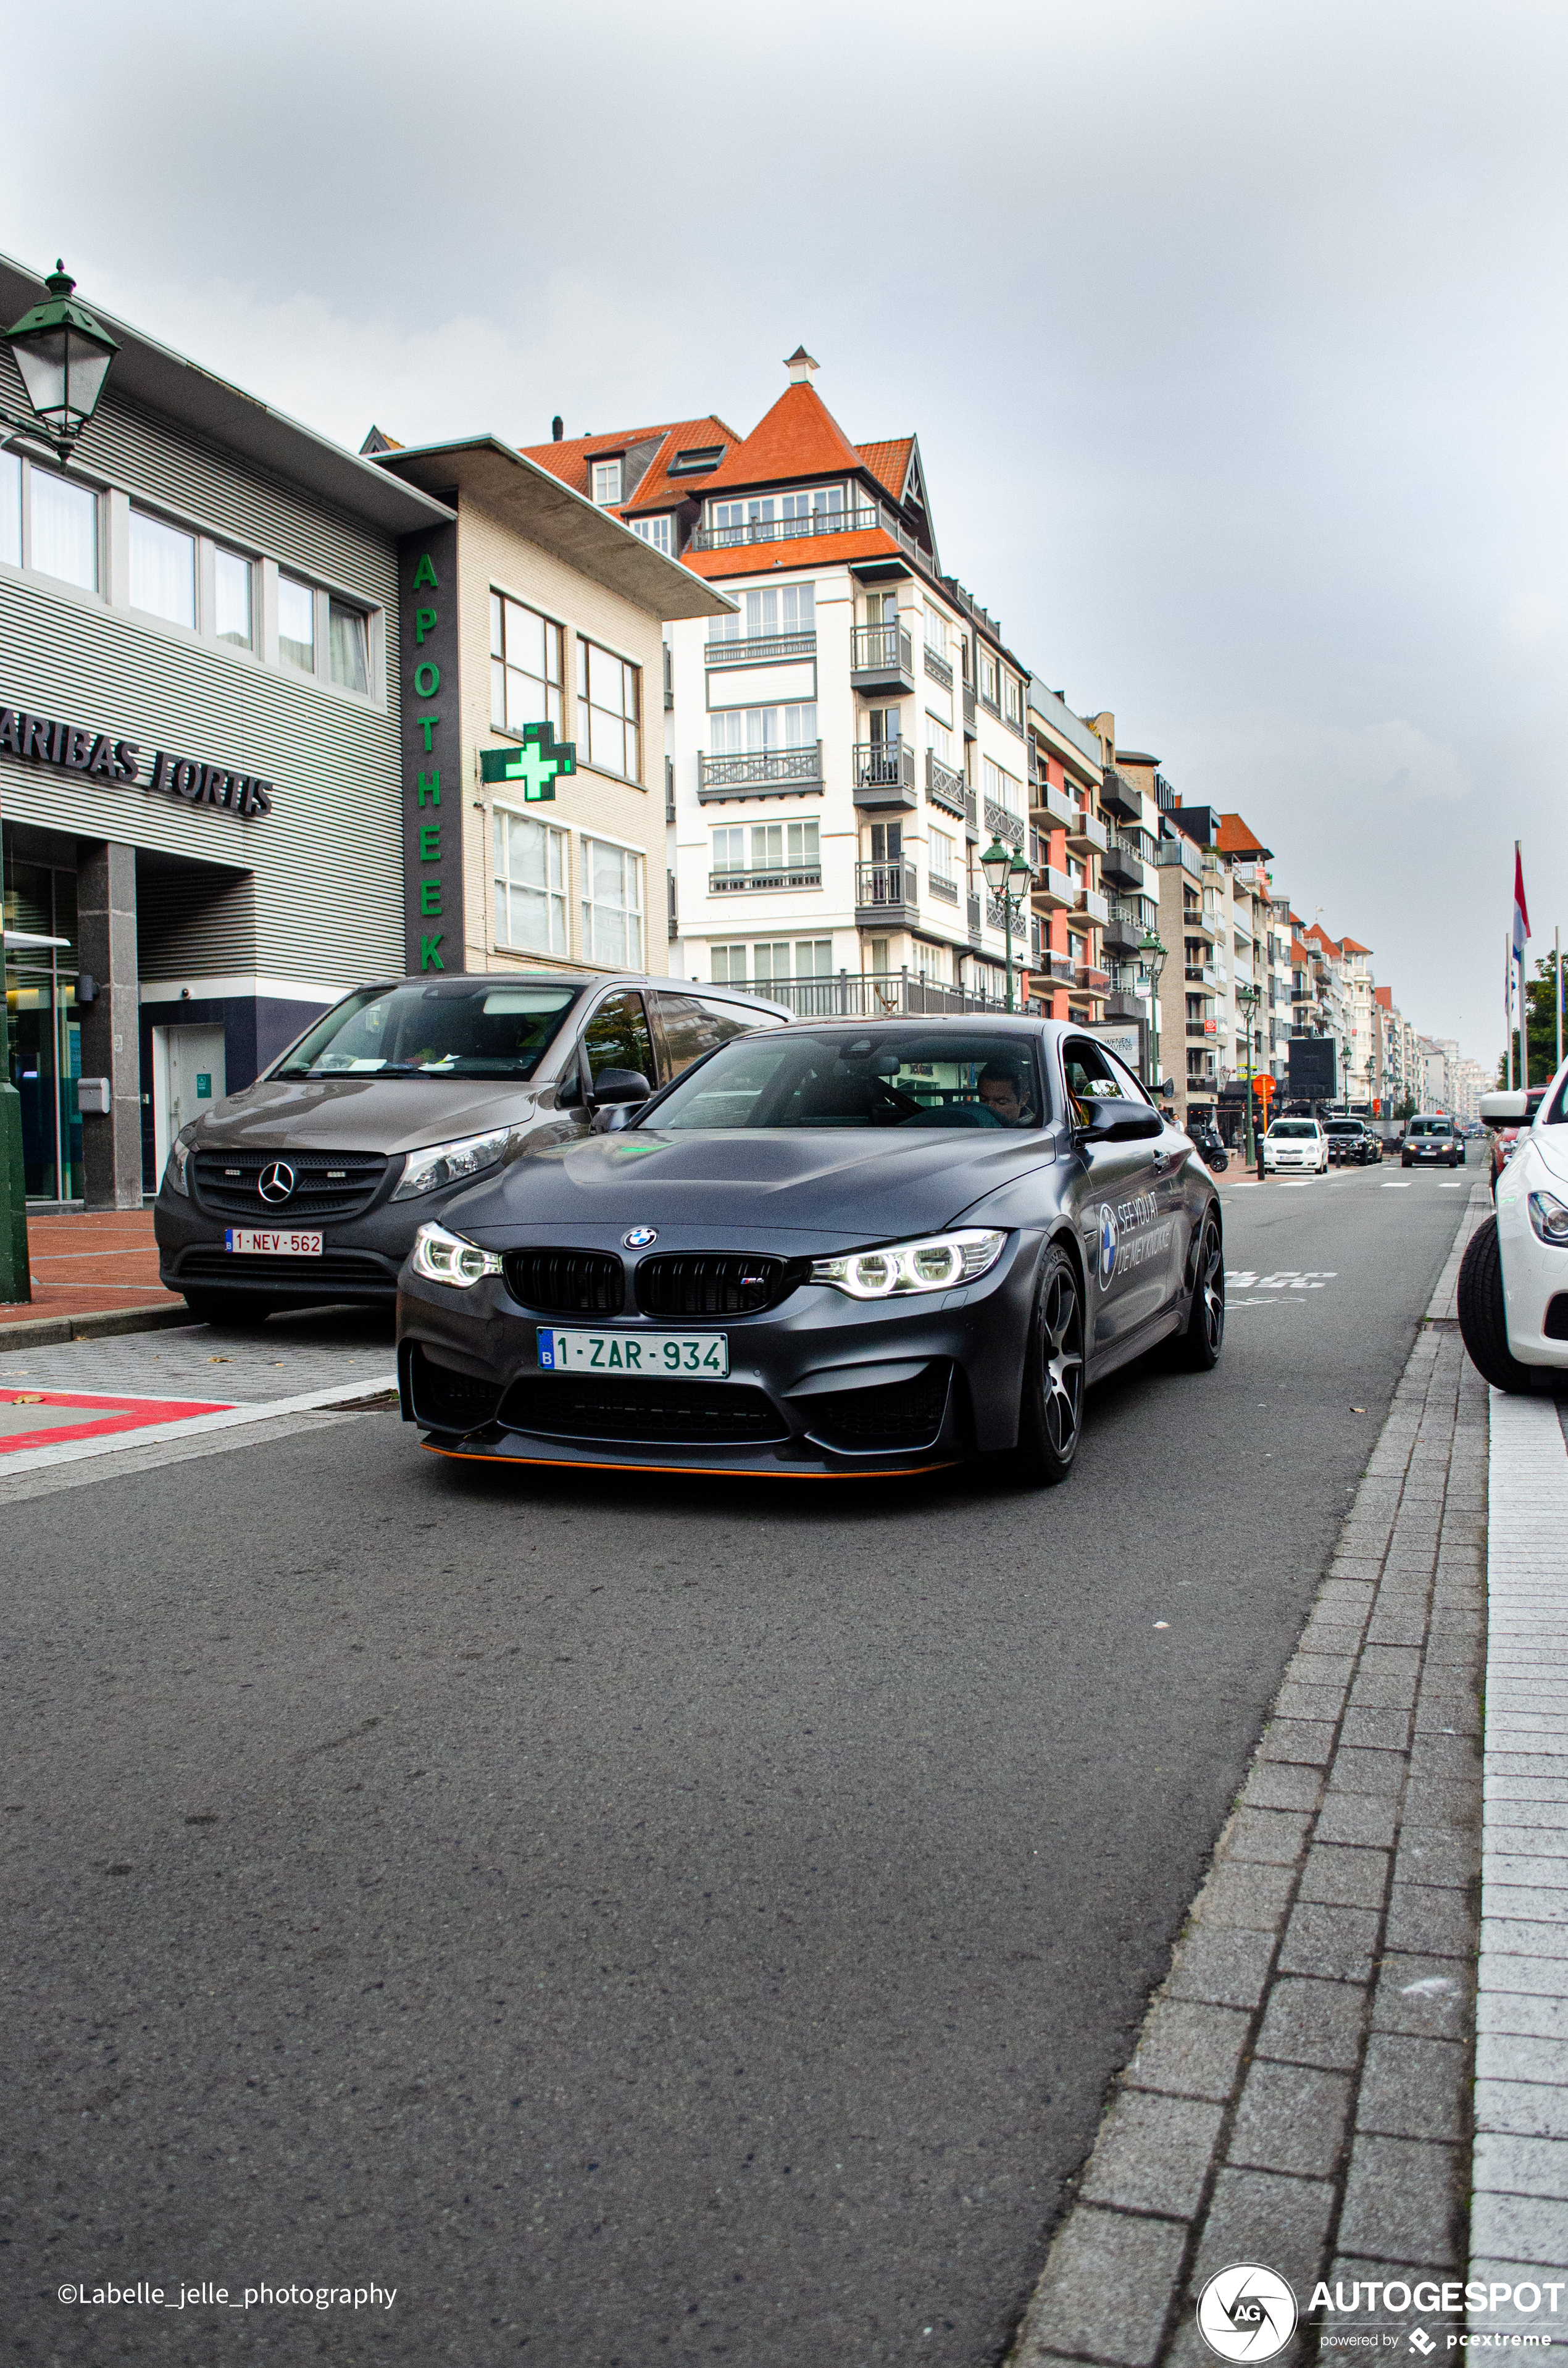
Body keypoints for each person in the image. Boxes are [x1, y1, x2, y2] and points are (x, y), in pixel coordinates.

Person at [976, 1060, 1040, 1127]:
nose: (990, 1107)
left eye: (1001, 1102)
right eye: (983, 1100)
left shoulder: (1034, 1131)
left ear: (1023, 1099)